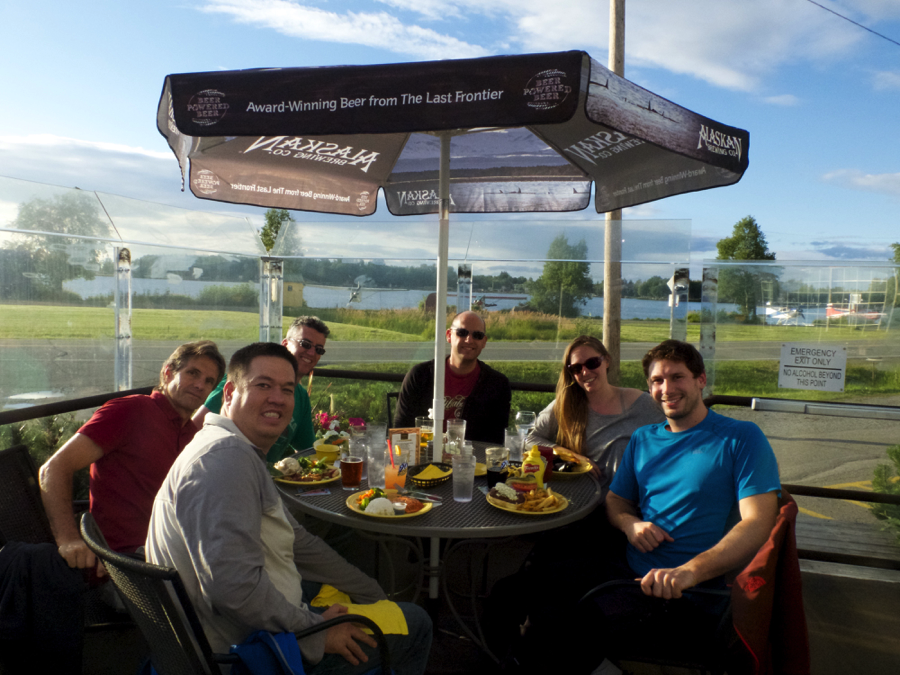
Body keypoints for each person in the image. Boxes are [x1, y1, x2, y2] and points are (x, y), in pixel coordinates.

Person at [147, 342, 432, 675]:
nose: (278, 399)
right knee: (416, 622)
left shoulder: (231, 448)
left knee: (349, 592)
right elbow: (233, 590)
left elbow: (299, 543)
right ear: (230, 393)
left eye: (286, 389)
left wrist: (369, 591)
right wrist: (314, 630)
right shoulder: (224, 462)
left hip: (248, 625)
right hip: (248, 653)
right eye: (263, 385)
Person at [568, 339, 782, 674]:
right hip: (628, 571)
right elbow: (616, 499)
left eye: (677, 377)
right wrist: (630, 524)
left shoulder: (741, 437)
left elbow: (758, 522)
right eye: (657, 380)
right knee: (524, 589)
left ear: (701, 380)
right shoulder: (643, 438)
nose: (666, 389)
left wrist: (688, 572)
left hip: (687, 595)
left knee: (564, 626)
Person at [39, 340, 225, 570]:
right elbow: (54, 468)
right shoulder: (130, 411)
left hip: (171, 559)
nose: (199, 385)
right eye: (192, 373)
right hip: (125, 566)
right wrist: (69, 540)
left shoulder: (192, 435)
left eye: (209, 381)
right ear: (168, 373)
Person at [527, 334, 663, 496]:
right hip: (581, 501)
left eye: (592, 363)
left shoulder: (640, 403)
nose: (585, 372)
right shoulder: (565, 405)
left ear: (607, 361)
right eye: (577, 368)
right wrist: (573, 457)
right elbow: (530, 440)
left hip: (628, 503)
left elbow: (676, 435)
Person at [193, 315, 329, 462]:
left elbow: (307, 450)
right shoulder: (243, 381)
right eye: (305, 344)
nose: (311, 353)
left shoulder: (301, 397)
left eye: (319, 349)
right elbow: (193, 430)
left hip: (263, 474)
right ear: (285, 344)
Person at [393, 311, 510, 444]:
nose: (469, 340)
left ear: (484, 342)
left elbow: (496, 440)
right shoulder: (420, 376)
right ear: (449, 335)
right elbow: (401, 430)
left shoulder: (497, 384)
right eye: (462, 332)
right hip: (425, 452)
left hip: (472, 456)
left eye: (477, 335)